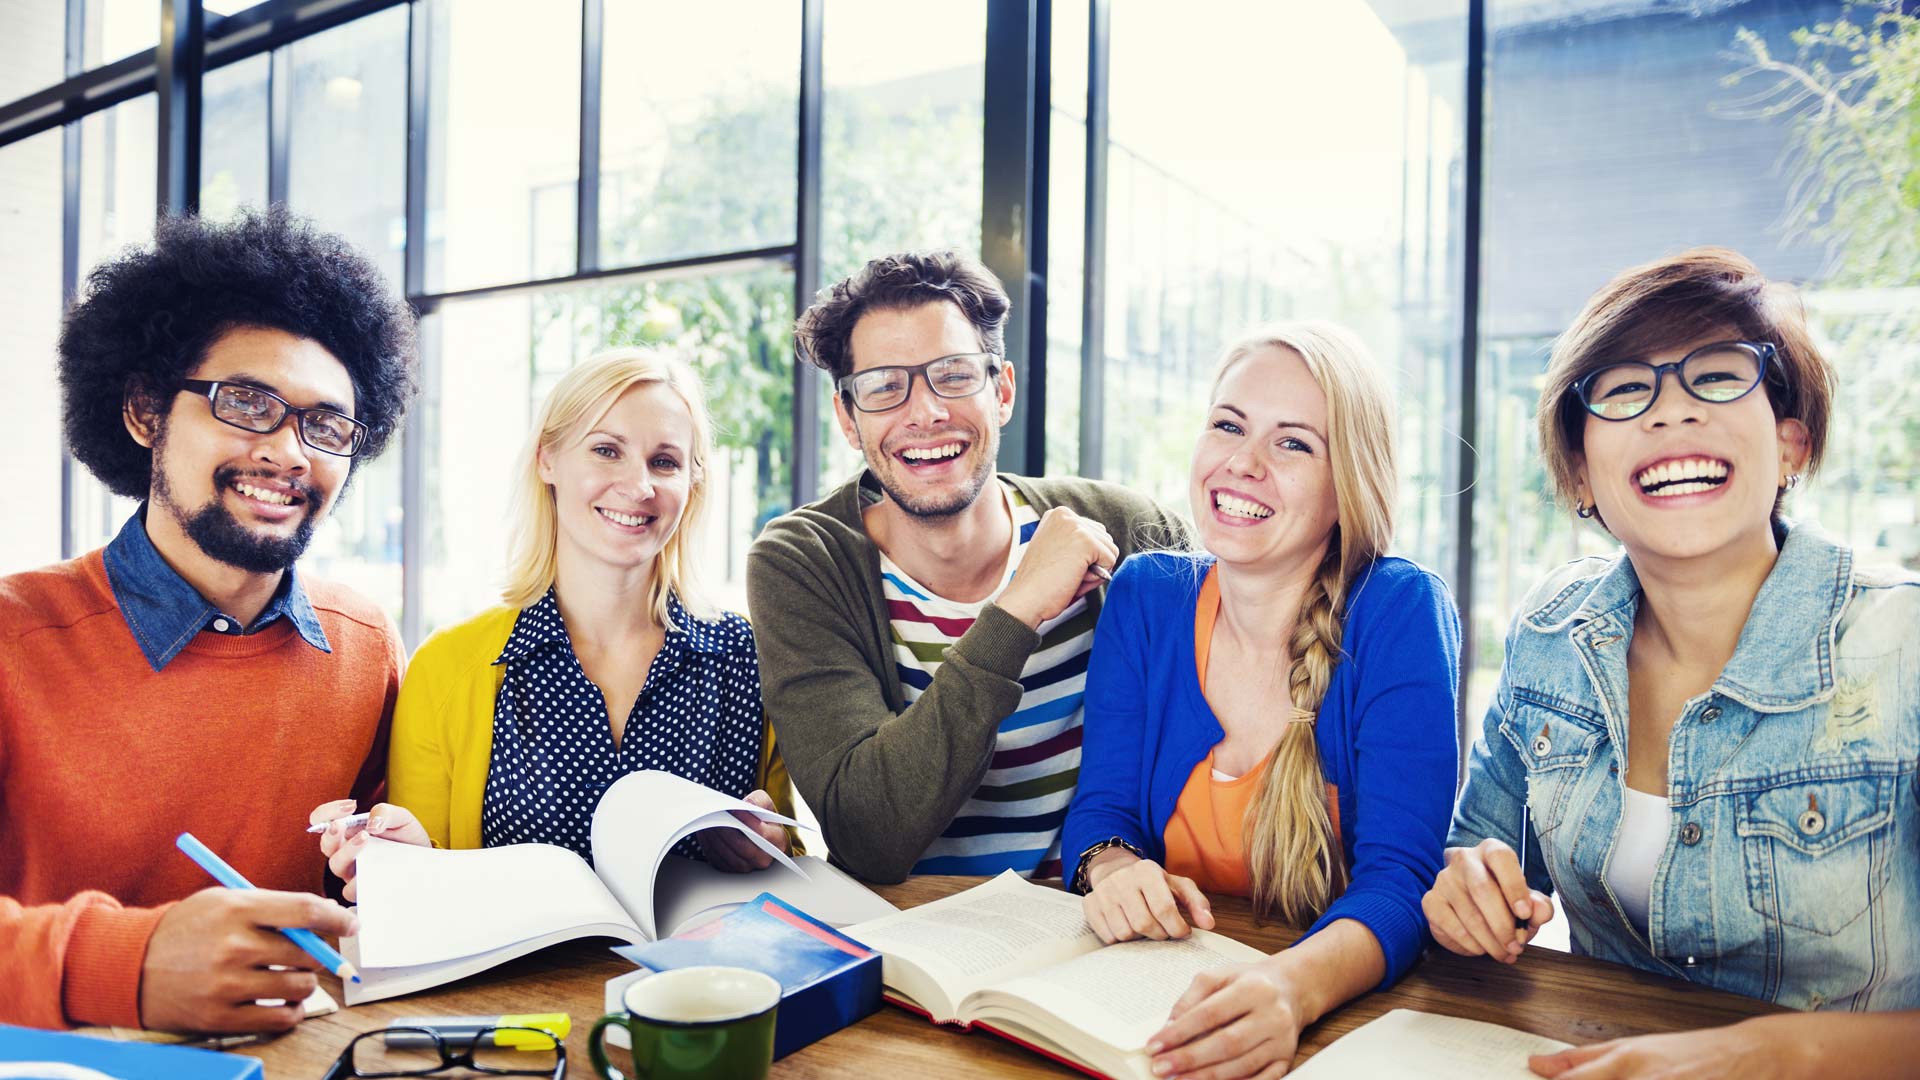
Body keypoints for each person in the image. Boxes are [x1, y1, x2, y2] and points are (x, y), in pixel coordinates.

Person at [1427, 248, 1919, 1078]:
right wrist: (1465, 894)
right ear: (1581, 472)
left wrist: (1770, 1055)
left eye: (1719, 377)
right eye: (1624, 389)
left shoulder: (1902, 645)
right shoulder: (1552, 632)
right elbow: (1473, 850)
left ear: (1791, 444)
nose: (1672, 414)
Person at [0, 208, 417, 1033]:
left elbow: (367, 889)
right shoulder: (15, 643)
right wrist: (130, 961)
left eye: (325, 424)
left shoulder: (364, 646)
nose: (290, 452)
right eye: (247, 402)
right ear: (145, 411)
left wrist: (395, 868)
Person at [1062, 322, 1460, 1079]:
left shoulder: (1399, 611)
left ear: (1350, 485)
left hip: (1335, 1022)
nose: (1242, 463)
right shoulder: (1147, 596)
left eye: (1293, 443)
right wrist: (1111, 869)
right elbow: (1102, 809)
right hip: (1155, 1004)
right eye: (1228, 425)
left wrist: (1287, 991)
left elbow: (1401, 883)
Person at [747, 250, 1187, 883]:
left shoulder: (1129, 531)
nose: (924, 413)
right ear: (848, 419)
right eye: (883, 387)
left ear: (1001, 391)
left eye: (953, 375)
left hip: (1104, 931)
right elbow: (869, 834)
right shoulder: (804, 562)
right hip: (912, 949)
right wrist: (1017, 611)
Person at [311, 350, 793, 894]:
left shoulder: (746, 656)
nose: (639, 487)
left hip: (697, 977)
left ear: (692, 483)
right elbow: (424, 882)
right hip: (518, 981)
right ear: (548, 461)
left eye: (665, 462)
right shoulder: (448, 670)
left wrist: (770, 849)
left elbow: (788, 857)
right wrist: (406, 863)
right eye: (607, 451)